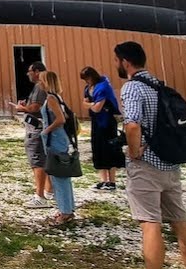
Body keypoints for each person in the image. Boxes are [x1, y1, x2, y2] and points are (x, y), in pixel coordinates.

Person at [115, 41, 186, 269]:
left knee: (150, 223)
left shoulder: (132, 87)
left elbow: (132, 124)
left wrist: (134, 152)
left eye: (117, 61)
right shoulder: (159, 85)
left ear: (125, 61)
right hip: (170, 164)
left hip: (147, 165)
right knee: (180, 221)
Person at [37, 71, 76, 226]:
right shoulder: (57, 97)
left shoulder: (51, 99)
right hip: (59, 139)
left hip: (55, 139)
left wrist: (46, 130)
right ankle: (67, 208)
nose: (39, 83)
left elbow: (60, 119)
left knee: (58, 176)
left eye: (41, 80)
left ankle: (65, 212)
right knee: (62, 176)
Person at [14, 61, 52, 208]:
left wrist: (22, 108)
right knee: (44, 160)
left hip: (36, 129)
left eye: (29, 71)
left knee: (37, 163)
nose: (28, 74)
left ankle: (40, 196)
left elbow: (36, 107)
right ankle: (49, 191)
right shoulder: (46, 86)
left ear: (36, 72)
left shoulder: (39, 86)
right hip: (41, 128)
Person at [81, 66, 125, 191]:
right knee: (97, 148)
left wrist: (90, 104)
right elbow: (85, 104)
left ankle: (112, 181)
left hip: (107, 122)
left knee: (109, 149)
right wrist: (92, 104)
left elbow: (97, 108)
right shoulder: (88, 88)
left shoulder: (103, 87)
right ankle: (103, 180)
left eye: (87, 78)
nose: (86, 81)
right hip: (96, 122)